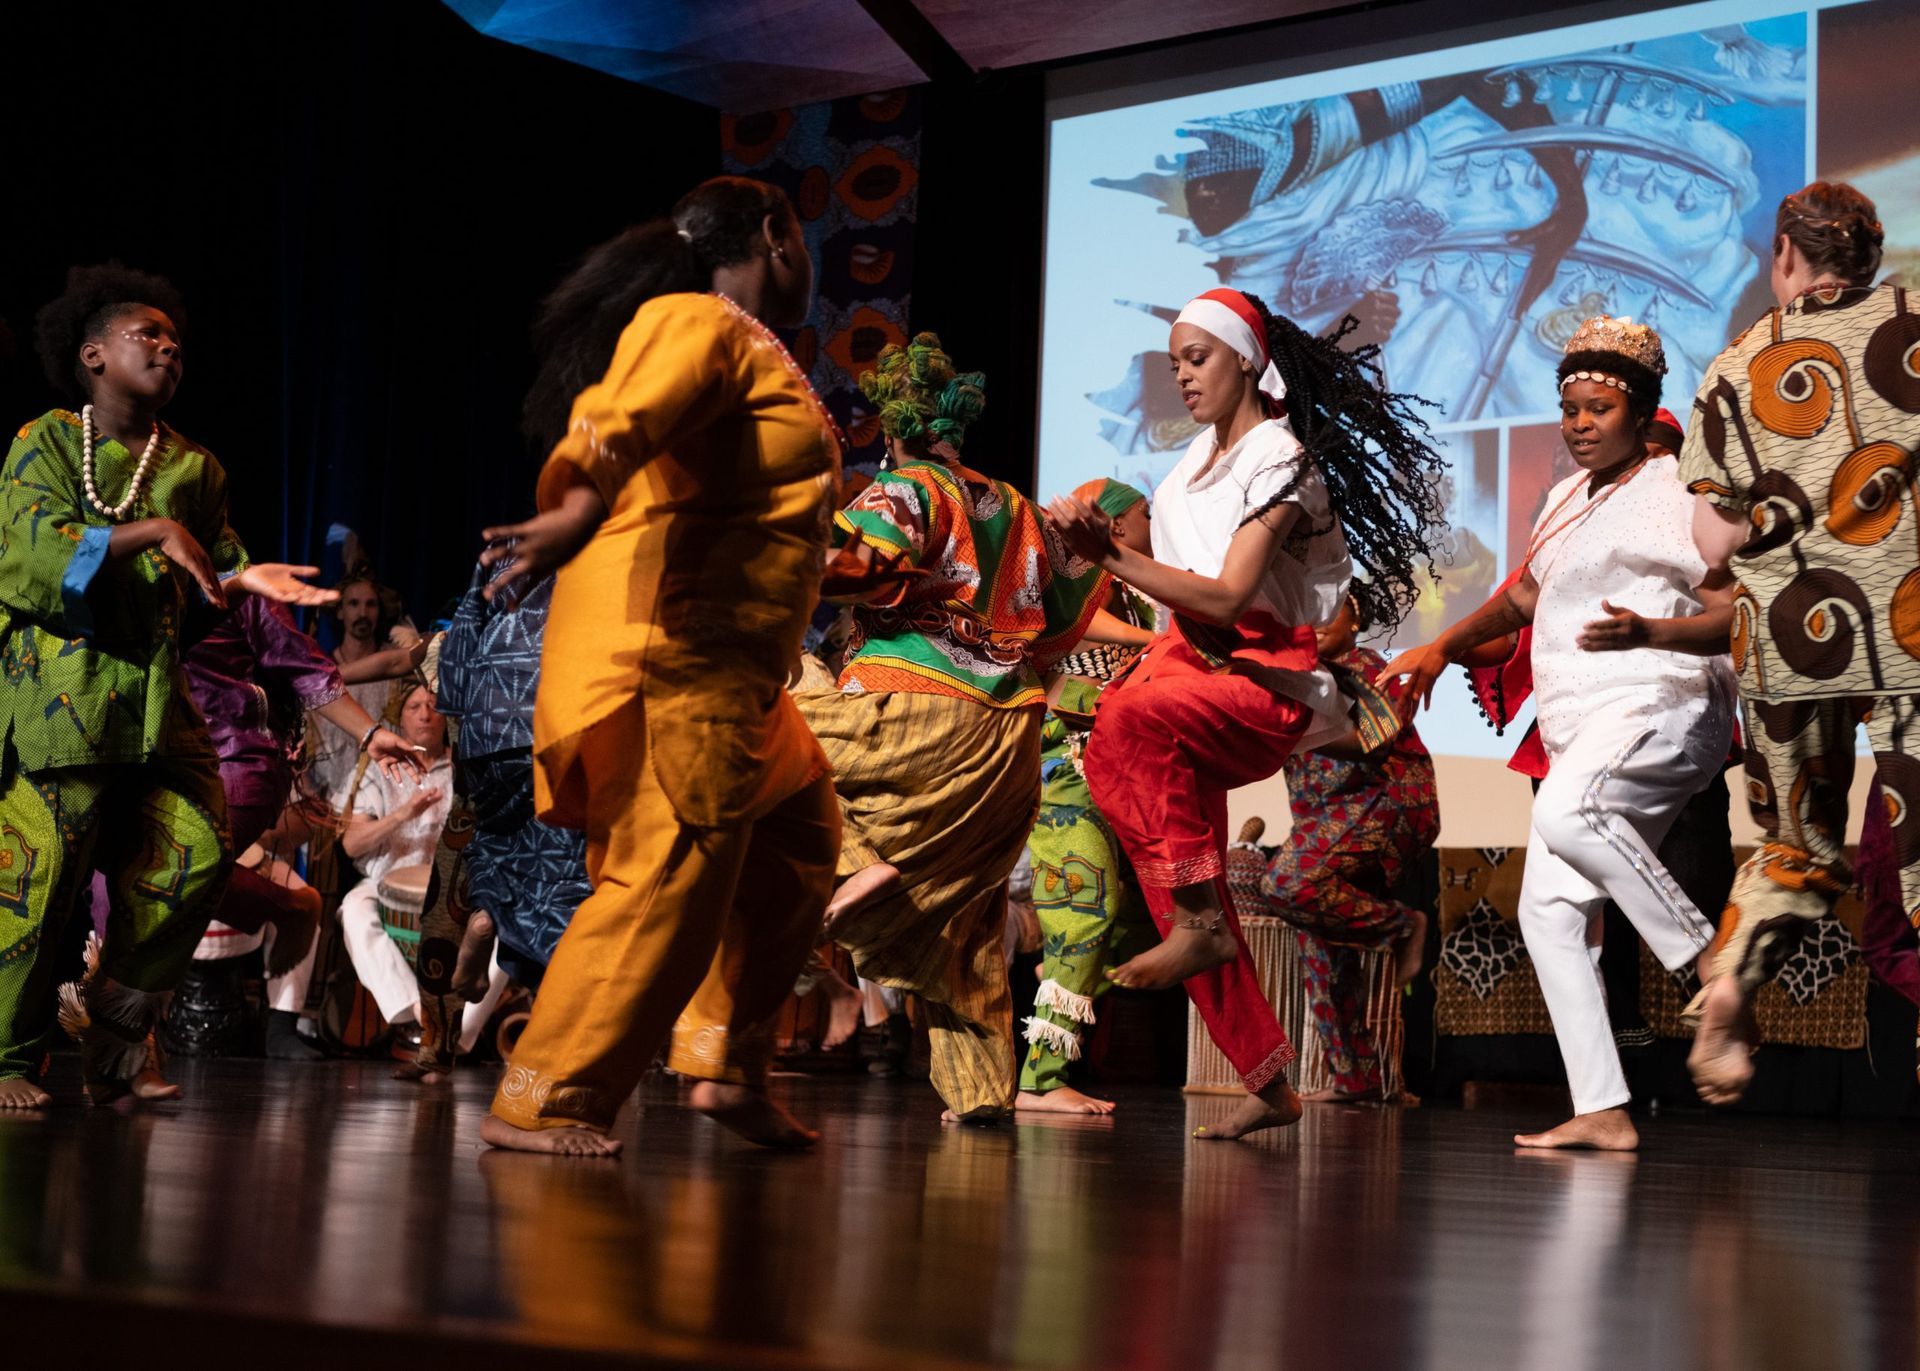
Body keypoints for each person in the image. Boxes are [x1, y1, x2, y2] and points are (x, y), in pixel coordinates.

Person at [474, 177, 868, 1156]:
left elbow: (767, 508)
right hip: (673, 659)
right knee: (664, 878)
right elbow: (622, 410)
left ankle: (725, 1067)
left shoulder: (753, 347)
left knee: (798, 847)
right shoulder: (699, 319)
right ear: (776, 233)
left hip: (738, 675)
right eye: (804, 239)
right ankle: (544, 1094)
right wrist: (575, 497)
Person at [1045, 287, 1448, 1140]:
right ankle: (1269, 1082)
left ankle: (1201, 925)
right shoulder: (1187, 469)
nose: (1183, 376)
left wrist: (1111, 553)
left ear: (1246, 360)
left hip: (1267, 683)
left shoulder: (1282, 458)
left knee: (1127, 728)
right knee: (1158, 857)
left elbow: (1228, 598)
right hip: (1193, 666)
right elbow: (1173, 615)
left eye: (1198, 358)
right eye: (1175, 363)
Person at [1386, 315, 1736, 1149]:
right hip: (1588, 726)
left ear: (1643, 410)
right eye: (1569, 407)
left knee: (1566, 814)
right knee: (1548, 912)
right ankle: (1602, 1108)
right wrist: (1442, 644)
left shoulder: (1683, 497)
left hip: (1662, 704)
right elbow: (1519, 601)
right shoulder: (1564, 500)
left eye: (1598, 409)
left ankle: (1709, 962)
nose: (1579, 423)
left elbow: (1734, 611)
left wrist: (1654, 633)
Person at [0, 263, 334, 1109]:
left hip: (153, 701)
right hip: (57, 700)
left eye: (174, 339)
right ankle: (7, 1059)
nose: (168, 345)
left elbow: (213, 566)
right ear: (92, 355)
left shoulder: (195, 467)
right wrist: (149, 534)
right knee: (39, 886)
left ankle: (116, 1024)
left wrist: (246, 579)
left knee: (193, 852)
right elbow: (28, 552)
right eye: (146, 334)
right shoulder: (41, 442)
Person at [793, 334, 1112, 1124]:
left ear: (892, 426)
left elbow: (858, 566)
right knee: (963, 930)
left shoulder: (907, 487)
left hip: (918, 717)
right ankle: (979, 1089)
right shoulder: (1021, 508)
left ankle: (859, 864)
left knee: (763, 706)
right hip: (1007, 751)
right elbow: (1066, 620)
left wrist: (785, 549)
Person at [1676, 182, 1920, 1105]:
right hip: (1907, 620)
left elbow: (1711, 542)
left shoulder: (1737, 363)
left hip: (1789, 632)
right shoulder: (1915, 328)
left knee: (1796, 842)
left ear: (1785, 256)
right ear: (1871, 251)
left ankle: (1734, 978)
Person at [182, 593, 425, 1057]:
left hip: (243, 776)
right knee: (137, 874)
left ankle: (282, 1025)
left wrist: (373, 728)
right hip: (177, 767)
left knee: (182, 864)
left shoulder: (267, 687)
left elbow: (334, 673)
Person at [1017, 478, 1159, 1116]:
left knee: (1139, 918)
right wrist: (1151, 643)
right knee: (1085, 907)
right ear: (1120, 525)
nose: (1157, 520)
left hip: (1111, 759)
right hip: (1063, 757)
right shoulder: (1079, 577)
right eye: (1147, 512)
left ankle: (1068, 966)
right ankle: (1039, 1082)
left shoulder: (1138, 587)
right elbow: (1065, 622)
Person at [1261, 597, 1438, 1102]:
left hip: (1389, 803)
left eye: (1329, 613)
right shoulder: (1293, 675)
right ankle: (1357, 1078)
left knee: (1285, 883)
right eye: (1304, 614)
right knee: (1320, 941)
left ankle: (1406, 926)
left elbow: (1375, 739)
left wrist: (1290, 727)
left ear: (1355, 619)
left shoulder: (1367, 669)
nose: (1314, 625)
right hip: (1328, 824)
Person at [334, 682, 468, 1038]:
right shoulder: (379, 770)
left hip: (451, 890)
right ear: (399, 717)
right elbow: (350, 844)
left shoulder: (463, 770)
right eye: (414, 707)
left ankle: (460, 1035)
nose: (425, 714)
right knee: (354, 910)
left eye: (434, 706)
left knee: (500, 926)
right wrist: (403, 814)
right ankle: (419, 1015)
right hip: (385, 886)